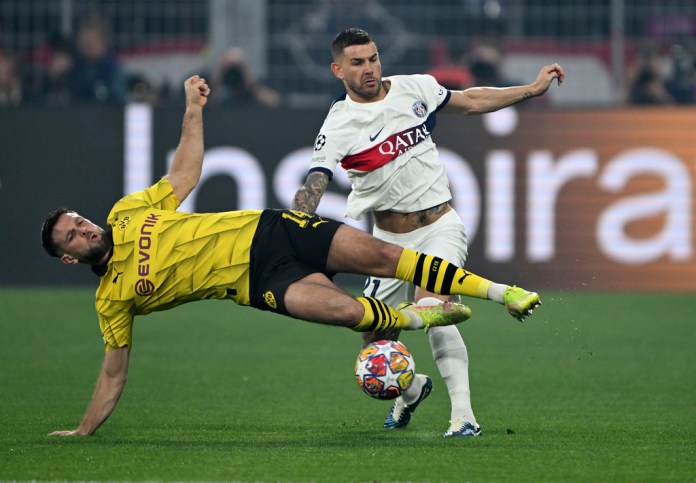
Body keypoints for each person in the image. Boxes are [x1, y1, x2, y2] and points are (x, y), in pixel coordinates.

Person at [41, 75, 541, 437]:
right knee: (353, 318)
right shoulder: (112, 300)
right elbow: (113, 370)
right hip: (258, 282)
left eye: (79, 221)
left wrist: (192, 110)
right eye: (72, 236)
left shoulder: (128, 212)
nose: (84, 229)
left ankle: (489, 321)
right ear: (69, 258)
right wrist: (83, 431)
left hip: (272, 228)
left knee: (387, 259)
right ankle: (413, 371)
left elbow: (183, 177)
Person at [291, 28, 562, 438]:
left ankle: (464, 417)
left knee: (434, 305)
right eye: (358, 63)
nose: (369, 69)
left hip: (438, 226)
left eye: (373, 58)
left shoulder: (414, 88)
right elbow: (315, 181)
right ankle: (413, 388)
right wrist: (294, 224)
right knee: (374, 345)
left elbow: (470, 101)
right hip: (385, 244)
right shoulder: (339, 123)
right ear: (337, 69)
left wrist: (531, 89)